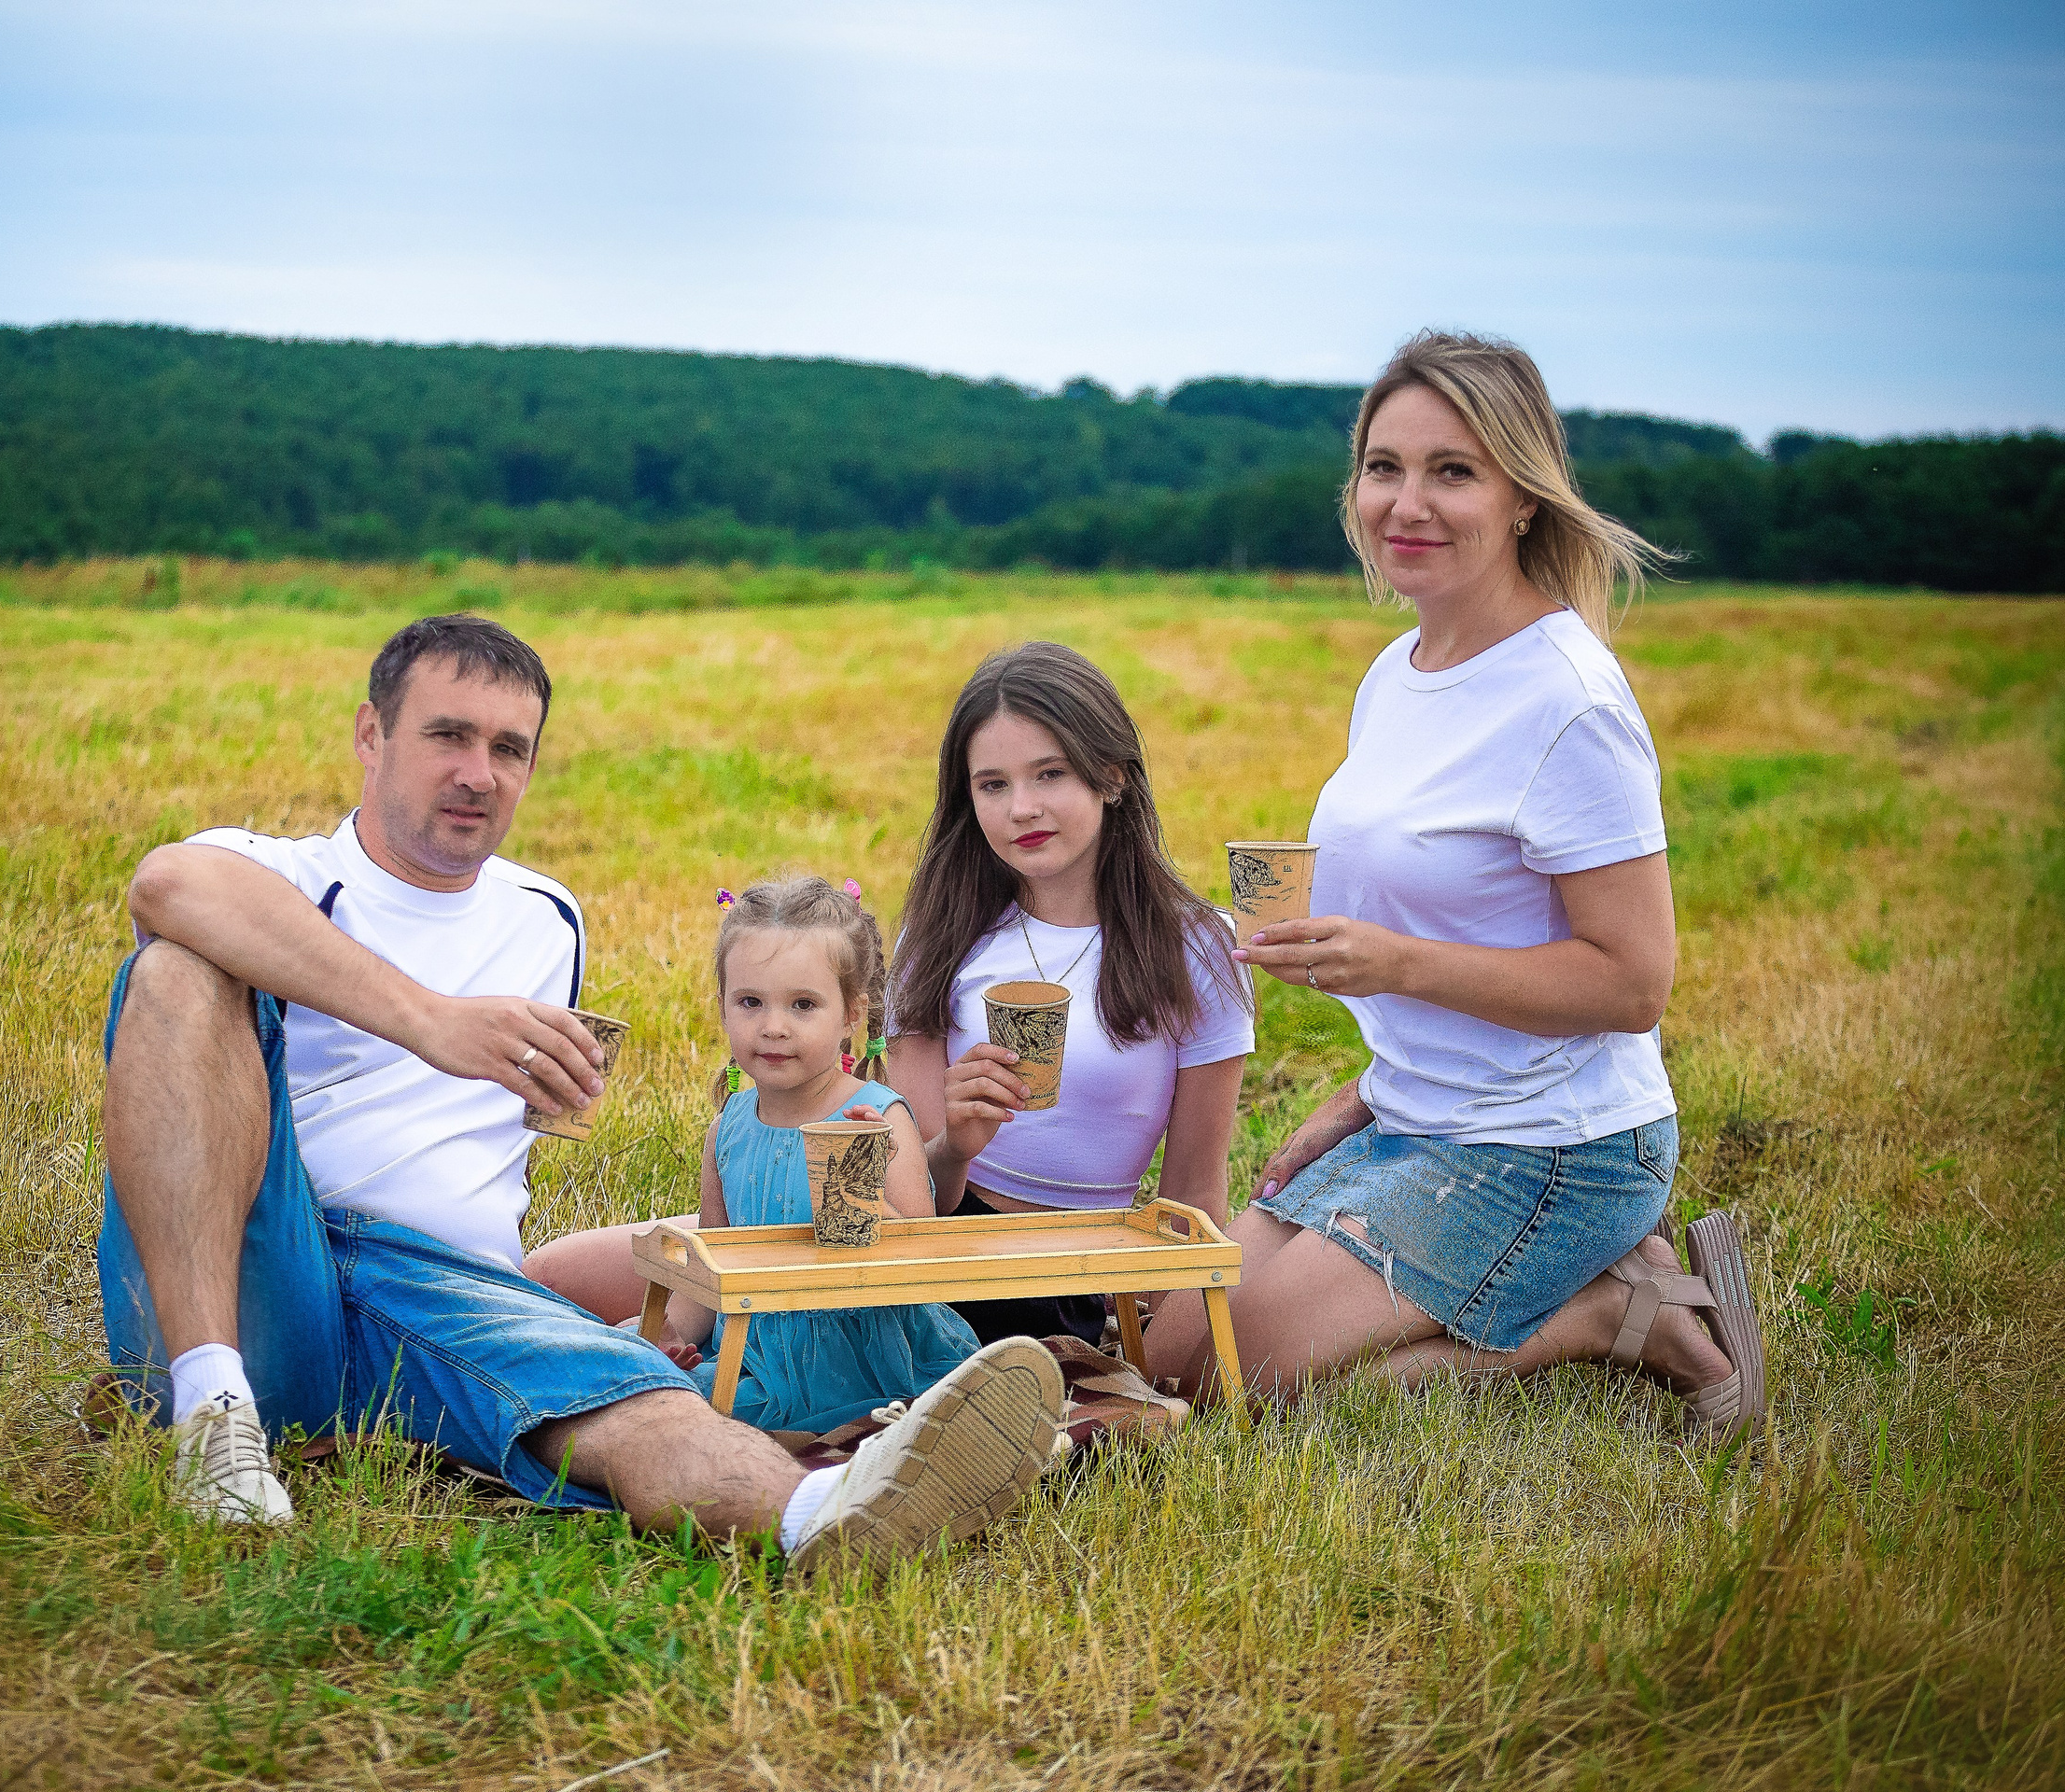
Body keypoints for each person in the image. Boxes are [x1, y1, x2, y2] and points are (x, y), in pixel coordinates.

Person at [96, 611, 1063, 1569]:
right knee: (175, 972)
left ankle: (828, 1514)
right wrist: (434, 1021)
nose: (479, 772)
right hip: (266, 1276)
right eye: (448, 736)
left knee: (633, 1393)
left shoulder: (545, 916)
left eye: (509, 748)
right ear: (369, 735)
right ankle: (214, 1417)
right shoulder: (282, 875)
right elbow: (164, 886)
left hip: (445, 1295)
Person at [1141, 330, 1765, 1438]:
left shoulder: (1568, 701)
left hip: (1553, 1144)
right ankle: (1597, 1285)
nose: (1406, 503)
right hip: (1417, 1115)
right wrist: (1369, 1091)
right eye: (1384, 467)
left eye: (1452, 471)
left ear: (1522, 496)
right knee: (1167, 1352)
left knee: (1236, 1393)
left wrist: (1394, 965)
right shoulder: (1401, 670)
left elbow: (1632, 984)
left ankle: (1616, 1310)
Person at [883, 642, 1256, 1345]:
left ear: (1111, 775)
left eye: (1049, 774)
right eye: (992, 785)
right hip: (939, 1254)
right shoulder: (940, 934)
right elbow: (913, 1201)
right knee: (679, 1261)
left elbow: (1194, 1193)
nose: (1022, 808)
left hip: (1078, 1272)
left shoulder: (1198, 946)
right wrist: (958, 1142)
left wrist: (1162, 1336)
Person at [591, 875, 983, 1432]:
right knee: (627, 1381)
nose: (773, 1027)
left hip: (868, 1357)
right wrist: (664, 1334)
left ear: (851, 1015)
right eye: (750, 1002)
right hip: (762, 1356)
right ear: (723, 1006)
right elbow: (714, 1276)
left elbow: (918, 1269)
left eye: (803, 1005)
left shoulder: (876, 1118)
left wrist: (861, 1194)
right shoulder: (729, 1127)